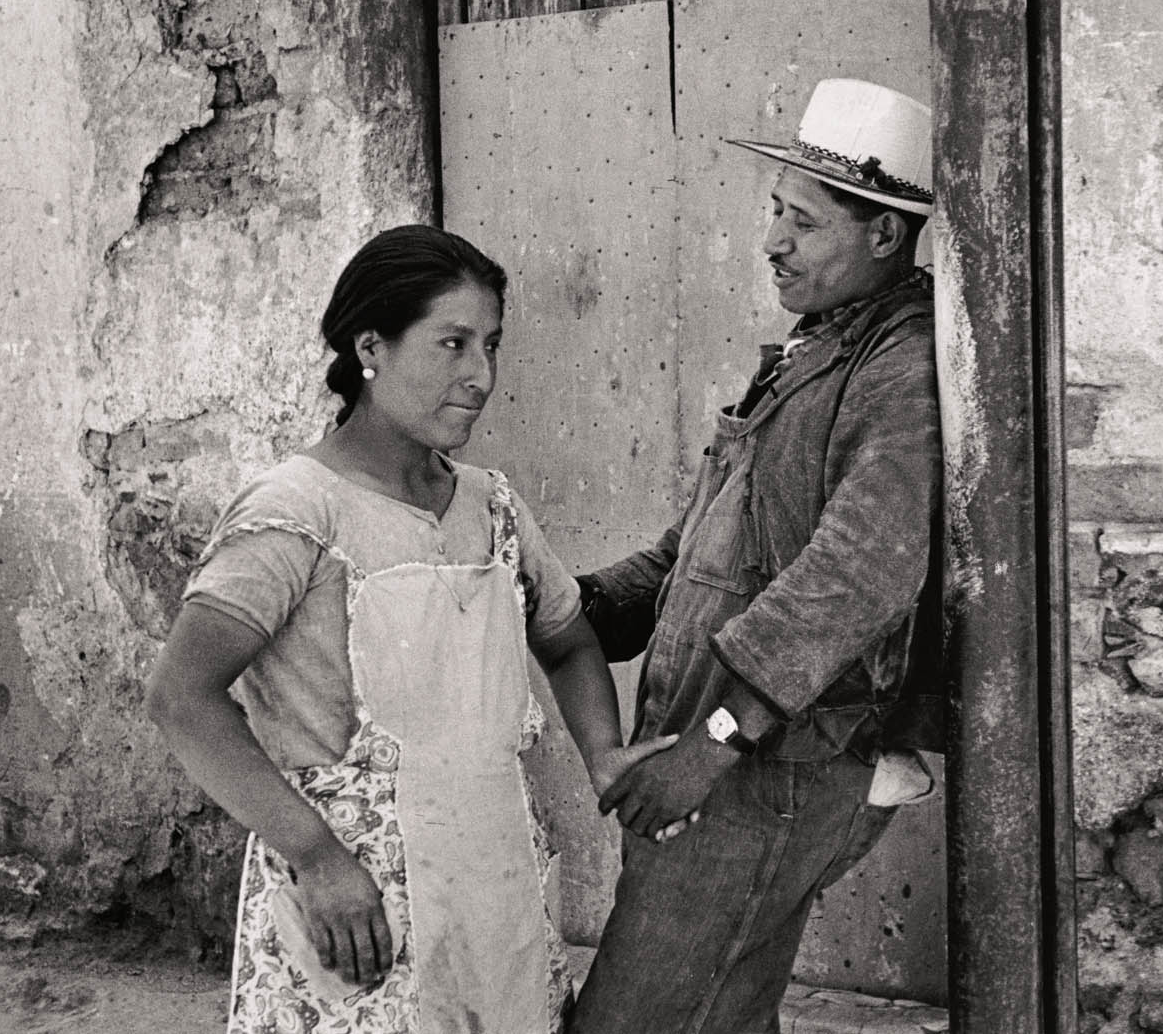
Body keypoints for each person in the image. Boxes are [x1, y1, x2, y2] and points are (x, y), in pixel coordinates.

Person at [145, 225, 676, 1034]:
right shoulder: (298, 512)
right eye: (452, 343)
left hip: (494, 869)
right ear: (372, 346)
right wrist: (318, 858)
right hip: (356, 903)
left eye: (491, 346)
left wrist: (602, 752)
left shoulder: (490, 505)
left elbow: (568, 641)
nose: (480, 376)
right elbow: (183, 699)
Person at [570, 79, 946, 1034]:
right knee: (721, 1012)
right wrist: (566, 604)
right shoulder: (810, 350)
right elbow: (697, 548)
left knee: (639, 1021)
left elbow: (857, 576)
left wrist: (711, 745)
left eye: (804, 222)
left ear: (882, 237)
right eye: (775, 211)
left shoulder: (898, 369)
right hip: (728, 759)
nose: (773, 240)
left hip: (770, 768)